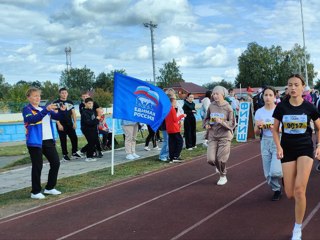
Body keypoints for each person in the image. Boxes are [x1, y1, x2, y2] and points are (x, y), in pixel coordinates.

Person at [272, 74, 320, 240]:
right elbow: (274, 129)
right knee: (290, 193)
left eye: (296, 85)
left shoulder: (310, 107)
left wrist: (319, 145)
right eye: (290, 85)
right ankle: (289, 182)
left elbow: (319, 127)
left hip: (305, 149)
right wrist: (278, 147)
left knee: (300, 190)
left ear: (303, 87)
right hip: (287, 150)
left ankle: (297, 228)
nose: (292, 88)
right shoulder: (281, 108)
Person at [23, 87, 65, 199]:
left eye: (39, 96)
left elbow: (57, 116)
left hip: (48, 140)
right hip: (35, 142)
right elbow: (32, 120)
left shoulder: (43, 108)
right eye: (35, 96)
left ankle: (49, 188)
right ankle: (35, 191)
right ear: (29, 97)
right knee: (37, 166)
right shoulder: (26, 109)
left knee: (56, 162)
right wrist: (46, 110)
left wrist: (62, 110)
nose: (38, 98)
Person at [254, 87, 283, 201]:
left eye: (270, 95)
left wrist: (274, 128)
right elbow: (256, 132)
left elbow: (284, 129)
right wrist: (258, 126)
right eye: (266, 95)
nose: (268, 97)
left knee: (275, 171)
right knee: (268, 175)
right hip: (265, 141)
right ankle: (277, 190)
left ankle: (285, 174)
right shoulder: (259, 112)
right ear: (263, 96)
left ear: (275, 97)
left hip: (278, 141)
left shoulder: (279, 110)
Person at [204, 86, 235, 186]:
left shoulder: (228, 107)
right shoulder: (211, 106)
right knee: (211, 159)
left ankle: (223, 175)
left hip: (225, 136)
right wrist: (207, 124)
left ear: (223, 95)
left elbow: (232, 124)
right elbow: (206, 118)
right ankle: (218, 165)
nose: (215, 95)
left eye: (217, 94)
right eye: (214, 93)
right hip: (213, 135)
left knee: (221, 159)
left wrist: (221, 122)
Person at [53, 88, 82, 161]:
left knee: (74, 138)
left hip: (69, 123)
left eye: (65, 93)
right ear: (60, 94)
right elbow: (55, 114)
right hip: (61, 124)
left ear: (67, 93)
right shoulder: (56, 103)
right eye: (62, 93)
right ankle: (65, 155)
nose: (64, 94)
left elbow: (73, 113)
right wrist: (59, 124)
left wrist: (75, 122)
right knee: (63, 140)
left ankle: (74, 153)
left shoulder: (70, 102)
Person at [166, 94, 187, 162]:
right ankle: (176, 156)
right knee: (180, 141)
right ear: (172, 102)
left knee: (172, 143)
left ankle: (171, 157)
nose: (176, 104)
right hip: (174, 128)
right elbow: (175, 119)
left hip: (169, 128)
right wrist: (182, 115)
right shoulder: (172, 109)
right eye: (175, 102)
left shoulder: (167, 109)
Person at [81, 98, 103, 162]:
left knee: (94, 142)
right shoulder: (84, 112)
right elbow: (89, 122)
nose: (91, 105)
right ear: (85, 104)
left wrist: (97, 119)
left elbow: (95, 120)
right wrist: (97, 119)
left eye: (92, 103)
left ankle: (84, 152)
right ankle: (89, 157)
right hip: (87, 129)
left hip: (93, 129)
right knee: (91, 142)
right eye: (89, 103)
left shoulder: (92, 111)